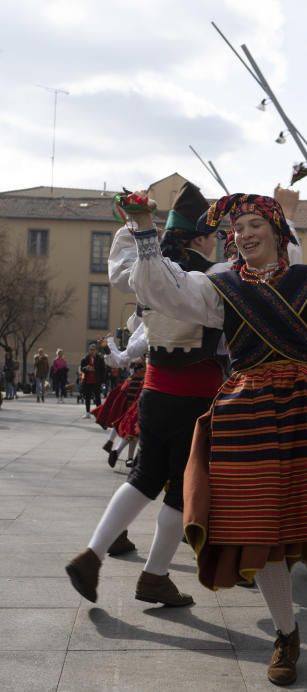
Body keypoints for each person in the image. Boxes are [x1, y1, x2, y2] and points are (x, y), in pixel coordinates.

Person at [118, 181, 307, 689]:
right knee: (260, 531)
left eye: (255, 224)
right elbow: (162, 289)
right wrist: (144, 228)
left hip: (306, 412)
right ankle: (286, 634)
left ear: (277, 231)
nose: (244, 233)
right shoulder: (220, 286)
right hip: (246, 415)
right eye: (237, 227)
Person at [66, 181, 229, 607]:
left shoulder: (147, 272)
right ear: (201, 237)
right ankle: (155, 576)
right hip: (196, 399)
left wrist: (134, 227)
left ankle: (92, 554)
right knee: (180, 487)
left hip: (154, 394)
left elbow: (120, 265)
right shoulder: (212, 277)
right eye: (215, 233)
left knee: (143, 478)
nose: (220, 241)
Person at [80, 344, 106, 418]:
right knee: (87, 397)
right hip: (87, 381)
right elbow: (82, 369)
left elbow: (103, 370)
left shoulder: (100, 359)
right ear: (88, 350)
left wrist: (102, 381)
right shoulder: (84, 359)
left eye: (93, 349)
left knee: (97, 398)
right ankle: (87, 412)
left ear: (96, 351)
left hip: (96, 381)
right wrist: (86, 368)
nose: (92, 351)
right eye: (90, 349)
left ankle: (99, 413)